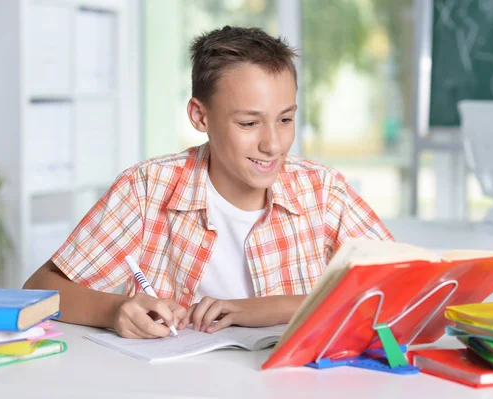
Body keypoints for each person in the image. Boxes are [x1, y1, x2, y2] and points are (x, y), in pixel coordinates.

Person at [24, 26, 394, 339]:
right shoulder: (148, 188)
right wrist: (114, 310)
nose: (274, 144)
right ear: (200, 116)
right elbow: (39, 289)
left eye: (285, 119)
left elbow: (401, 288)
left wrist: (266, 309)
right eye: (249, 123)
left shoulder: (323, 192)